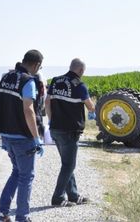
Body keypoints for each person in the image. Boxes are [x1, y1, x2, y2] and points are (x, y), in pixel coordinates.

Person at [0, 50, 44, 222]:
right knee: (26, 176)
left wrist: (3, 137)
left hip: (6, 134)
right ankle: (23, 217)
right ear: (36, 65)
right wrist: (37, 138)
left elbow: (3, 106)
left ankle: (2, 213)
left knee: (16, 172)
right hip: (22, 138)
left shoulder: (6, 78)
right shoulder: (28, 81)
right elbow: (28, 110)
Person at [45, 58, 96, 207]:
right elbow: (91, 107)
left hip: (55, 128)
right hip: (70, 130)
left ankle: (73, 195)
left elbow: (47, 102)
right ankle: (58, 198)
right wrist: (93, 109)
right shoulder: (80, 85)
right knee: (69, 165)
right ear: (80, 71)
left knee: (67, 163)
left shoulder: (55, 81)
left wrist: (51, 120)